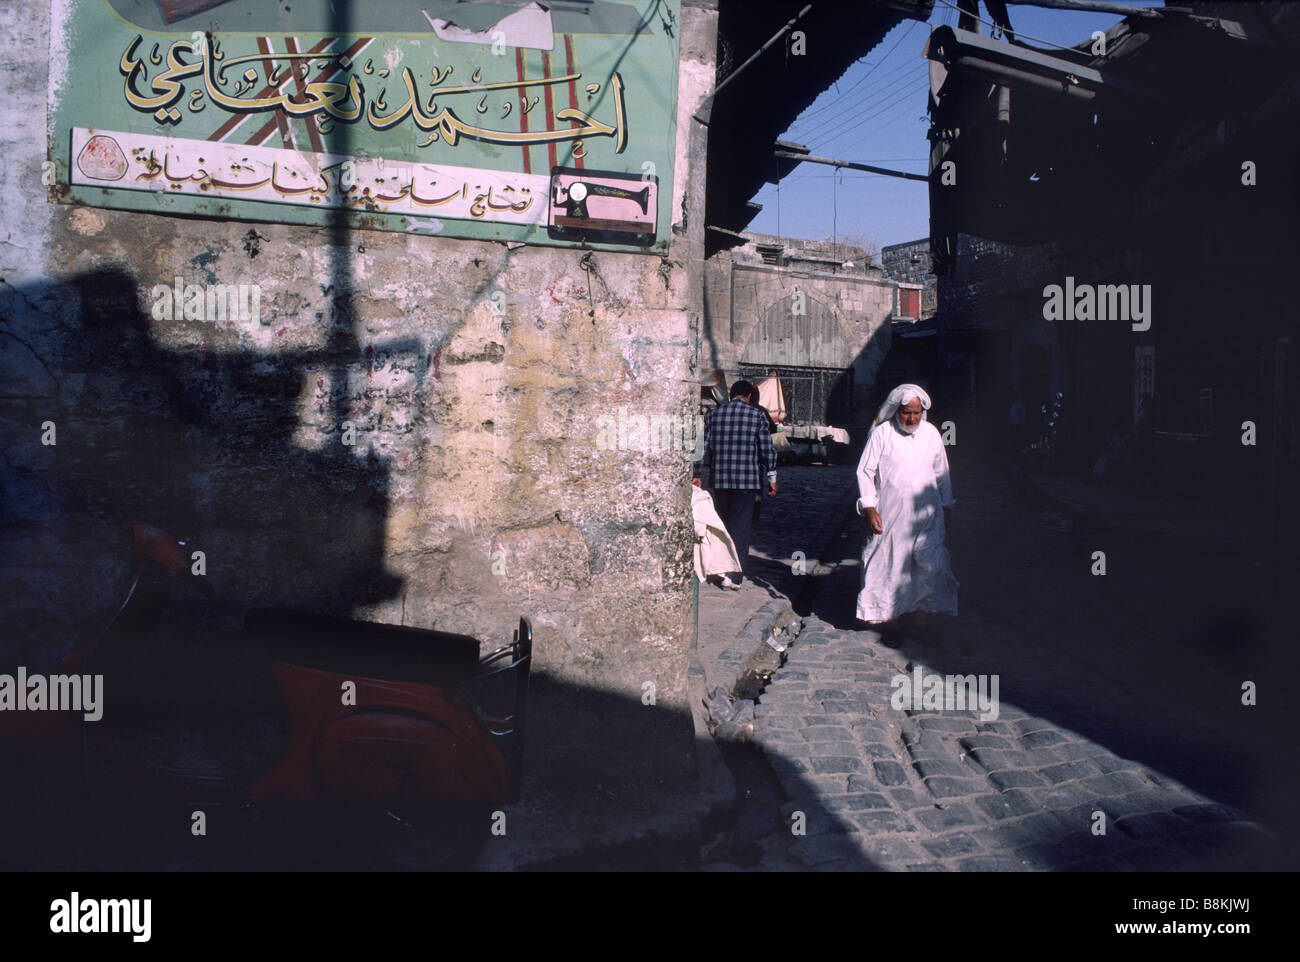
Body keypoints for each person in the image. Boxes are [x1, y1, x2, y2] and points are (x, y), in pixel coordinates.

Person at [855, 383, 958, 640]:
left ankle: (923, 621)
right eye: (906, 413)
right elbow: (865, 472)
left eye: (916, 412)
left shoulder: (932, 434)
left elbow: (941, 473)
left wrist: (947, 506)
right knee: (891, 566)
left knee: (930, 565)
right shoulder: (882, 434)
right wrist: (869, 507)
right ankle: (892, 623)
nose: (911, 418)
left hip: (928, 515)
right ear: (896, 410)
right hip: (891, 515)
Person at [692, 380, 777, 588]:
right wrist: (772, 478)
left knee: (723, 525)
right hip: (747, 481)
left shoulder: (713, 415)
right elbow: (767, 449)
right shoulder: (756, 416)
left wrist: (697, 473)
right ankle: (733, 576)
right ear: (748, 396)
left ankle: (719, 568)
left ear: (732, 396)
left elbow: (700, 448)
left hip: (719, 480)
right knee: (741, 527)